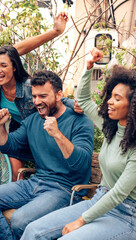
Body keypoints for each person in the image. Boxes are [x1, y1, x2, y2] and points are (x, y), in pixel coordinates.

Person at [21, 48, 136, 240]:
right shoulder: (110, 128)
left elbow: (118, 194)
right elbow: (82, 99)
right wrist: (88, 67)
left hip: (126, 214)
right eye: (110, 95)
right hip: (99, 199)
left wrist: (81, 220)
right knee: (34, 231)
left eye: (117, 98)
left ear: (132, 105)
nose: (109, 101)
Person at [0, 70, 94, 240]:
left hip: (65, 189)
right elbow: (8, 146)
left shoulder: (80, 121)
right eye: (34, 96)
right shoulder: (33, 120)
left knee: (19, 220)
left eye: (43, 96)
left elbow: (81, 163)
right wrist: (0, 126)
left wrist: (58, 135)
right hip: (35, 182)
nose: (37, 102)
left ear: (59, 95)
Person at [0, 45, 76, 181]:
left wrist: (75, 105)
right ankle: (16, 198)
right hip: (20, 129)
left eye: (3, 65)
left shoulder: (28, 86)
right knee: (15, 172)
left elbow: (57, 97)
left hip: (40, 130)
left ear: (14, 67)